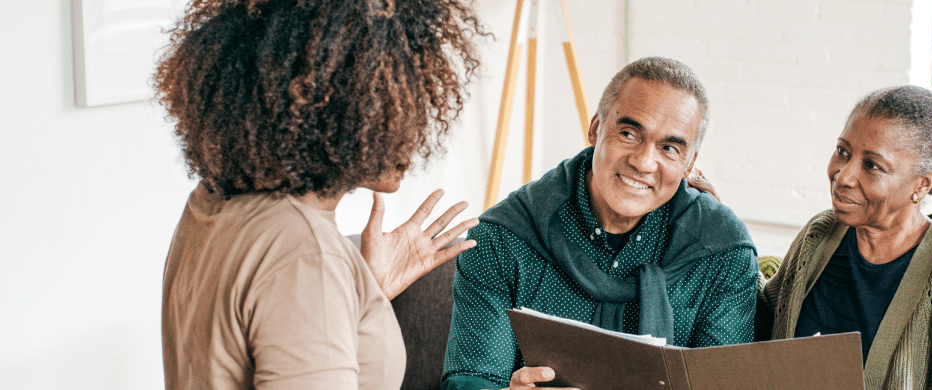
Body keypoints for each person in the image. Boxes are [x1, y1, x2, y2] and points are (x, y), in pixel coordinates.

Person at [156, 0, 486, 389]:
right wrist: (328, 280)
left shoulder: (212, 201)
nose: (415, 129)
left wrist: (363, 292)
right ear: (335, 111)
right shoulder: (306, 256)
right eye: (396, 101)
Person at [441, 57, 759, 390]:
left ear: (689, 162)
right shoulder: (502, 237)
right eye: (629, 134)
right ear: (595, 128)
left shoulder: (723, 252)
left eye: (668, 148)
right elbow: (471, 378)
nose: (643, 162)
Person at [753, 85, 932, 389]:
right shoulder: (820, 234)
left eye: (872, 165)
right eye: (843, 151)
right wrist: (728, 237)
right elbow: (763, 324)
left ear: (922, 184)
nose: (843, 176)